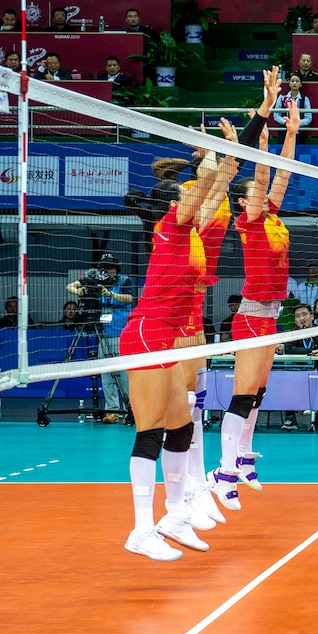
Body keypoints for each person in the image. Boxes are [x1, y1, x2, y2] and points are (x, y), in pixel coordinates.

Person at [118, 118, 240, 561]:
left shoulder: (191, 234)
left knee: (182, 426)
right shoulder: (170, 227)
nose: (196, 196)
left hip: (167, 337)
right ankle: (140, 529)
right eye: (189, 193)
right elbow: (206, 181)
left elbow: (216, 185)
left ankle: (174, 515)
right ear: (177, 202)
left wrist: (230, 151)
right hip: (147, 333)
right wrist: (206, 149)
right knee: (149, 432)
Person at [208, 85, 301, 509]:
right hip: (249, 314)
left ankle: (243, 458)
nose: (262, 196)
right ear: (245, 203)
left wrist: (291, 131)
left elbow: (281, 173)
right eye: (255, 194)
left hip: (271, 313)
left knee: (259, 392)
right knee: (244, 393)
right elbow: (264, 174)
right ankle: (222, 470)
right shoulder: (249, 222)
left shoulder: (273, 216)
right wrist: (261, 142)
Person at [65, 252, 136, 423]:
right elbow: (69, 286)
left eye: (110, 268)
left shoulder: (124, 281)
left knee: (123, 375)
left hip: (121, 334)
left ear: (116, 270)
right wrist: (79, 291)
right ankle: (111, 411)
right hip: (102, 335)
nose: (106, 271)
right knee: (106, 375)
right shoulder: (93, 278)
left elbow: (129, 298)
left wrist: (110, 294)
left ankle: (129, 410)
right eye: (103, 268)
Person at [279, 303, 318, 431]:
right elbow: (289, 349)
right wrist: (310, 351)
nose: (301, 319)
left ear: (312, 316)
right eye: (297, 316)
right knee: (288, 381)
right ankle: (290, 418)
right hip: (296, 371)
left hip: (317, 370)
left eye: (304, 315)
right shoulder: (292, 333)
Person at [271, 73, 312, 138]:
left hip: (299, 130)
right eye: (292, 81)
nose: (294, 83)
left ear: (300, 84)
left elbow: (308, 117)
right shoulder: (282, 97)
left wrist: (297, 123)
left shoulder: (305, 99)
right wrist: (286, 122)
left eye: (297, 81)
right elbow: (276, 114)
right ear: (289, 83)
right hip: (284, 130)